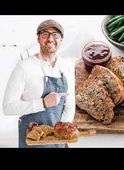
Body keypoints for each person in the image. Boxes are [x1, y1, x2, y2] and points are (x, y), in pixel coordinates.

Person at [2, 19, 75, 148]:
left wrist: (62, 132)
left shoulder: (67, 66)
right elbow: (8, 107)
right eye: (45, 34)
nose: (50, 39)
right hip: (31, 142)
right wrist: (42, 103)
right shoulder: (24, 67)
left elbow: (70, 105)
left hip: (57, 142)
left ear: (61, 39)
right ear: (38, 38)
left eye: (55, 35)